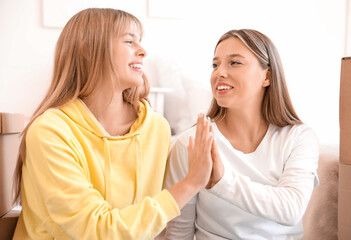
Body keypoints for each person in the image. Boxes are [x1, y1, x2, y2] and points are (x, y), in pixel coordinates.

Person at [12, 8, 214, 240]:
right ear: (88, 49)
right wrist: (190, 183)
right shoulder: (51, 132)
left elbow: (156, 228)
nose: (143, 51)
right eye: (130, 41)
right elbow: (97, 231)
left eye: (140, 42)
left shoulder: (157, 128)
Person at [164, 29, 320, 240]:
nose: (219, 73)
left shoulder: (299, 138)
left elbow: (291, 209)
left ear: (267, 76)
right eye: (215, 64)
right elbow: (179, 233)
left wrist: (221, 180)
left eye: (234, 62)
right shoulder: (191, 144)